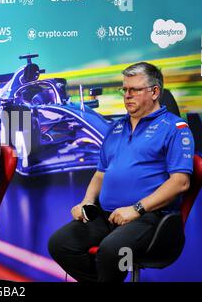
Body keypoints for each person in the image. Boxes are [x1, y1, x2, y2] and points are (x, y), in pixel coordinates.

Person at [48, 62, 194, 282]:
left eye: (134, 89)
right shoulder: (115, 128)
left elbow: (180, 183)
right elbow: (101, 173)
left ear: (155, 92)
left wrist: (136, 209)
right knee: (60, 244)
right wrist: (87, 202)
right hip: (107, 215)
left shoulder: (174, 128)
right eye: (124, 90)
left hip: (149, 218)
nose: (127, 95)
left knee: (111, 251)